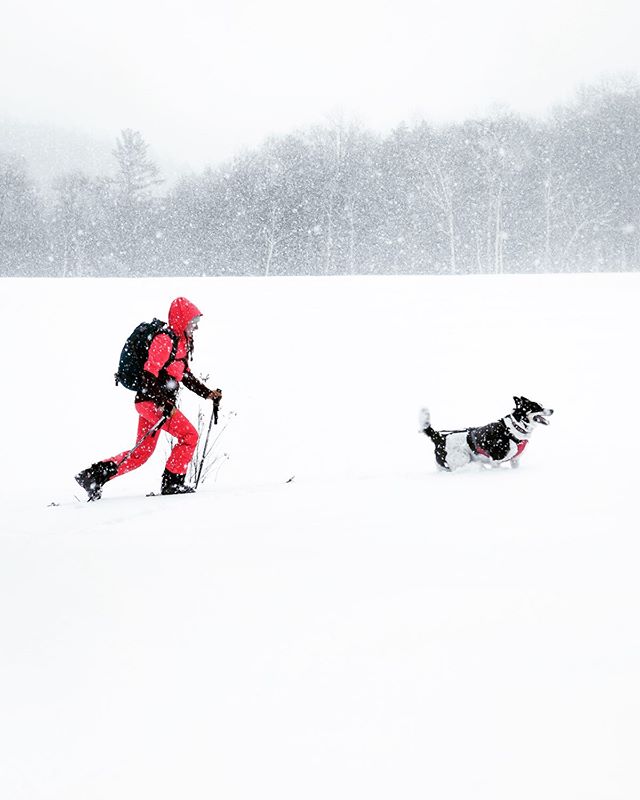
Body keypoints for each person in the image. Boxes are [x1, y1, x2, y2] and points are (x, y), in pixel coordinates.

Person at [75, 297, 222, 500]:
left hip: (154, 404)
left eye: (196, 323)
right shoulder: (165, 340)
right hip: (154, 403)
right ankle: (173, 484)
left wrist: (208, 394)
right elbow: (148, 375)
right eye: (192, 322)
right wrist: (164, 402)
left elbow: (185, 375)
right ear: (182, 320)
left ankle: (92, 477)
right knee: (189, 436)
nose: (195, 328)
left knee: (140, 454)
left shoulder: (182, 342)